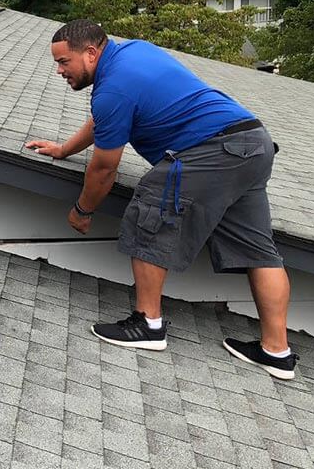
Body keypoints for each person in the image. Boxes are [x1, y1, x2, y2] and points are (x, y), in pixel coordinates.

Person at [26, 19, 299, 380]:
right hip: (254, 142)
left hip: (214, 149)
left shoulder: (113, 89)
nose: (60, 71)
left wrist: (82, 210)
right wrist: (64, 149)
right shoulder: (134, 52)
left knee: (152, 205)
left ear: (90, 53)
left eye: (64, 62)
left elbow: (104, 168)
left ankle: (148, 324)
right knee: (258, 249)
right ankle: (276, 350)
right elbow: (103, 120)